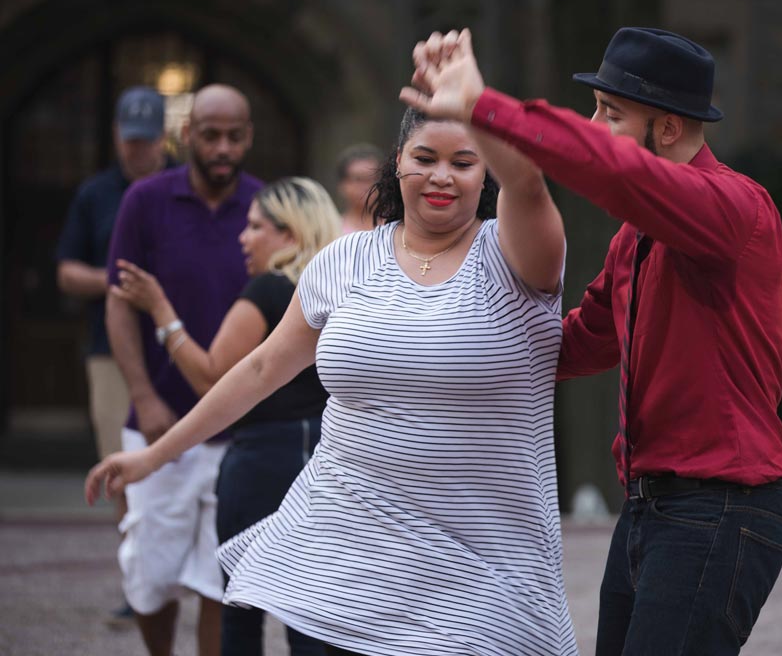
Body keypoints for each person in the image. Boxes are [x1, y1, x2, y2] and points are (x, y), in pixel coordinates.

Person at [87, 102, 576, 655]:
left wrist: (473, 100)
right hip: (355, 552)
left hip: (483, 558)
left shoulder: (513, 256)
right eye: (425, 158)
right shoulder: (343, 261)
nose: (442, 175)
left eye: (464, 162)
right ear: (397, 164)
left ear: (486, 170)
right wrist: (153, 457)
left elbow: (530, 186)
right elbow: (257, 370)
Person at [399, 28, 782, 655]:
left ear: (666, 128)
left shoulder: (735, 206)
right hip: (648, 510)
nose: (595, 124)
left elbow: (615, 171)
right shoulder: (636, 234)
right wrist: (449, 348)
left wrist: (487, 107)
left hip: (720, 511)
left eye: (611, 113)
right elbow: (579, 341)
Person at [111, 177, 340, 656]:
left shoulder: (268, 290)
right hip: (322, 461)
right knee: (312, 613)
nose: (243, 236)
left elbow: (211, 378)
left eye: (256, 227)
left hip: (260, 461)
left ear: (290, 235)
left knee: (240, 606)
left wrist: (162, 312)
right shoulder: (338, 289)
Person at [105, 83, 261, 656]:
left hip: (239, 430)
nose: (222, 147)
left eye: (234, 136)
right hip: (159, 422)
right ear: (187, 135)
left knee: (220, 578)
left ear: (249, 138)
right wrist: (143, 397)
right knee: (150, 575)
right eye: (211, 134)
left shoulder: (264, 205)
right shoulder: (144, 200)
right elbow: (119, 301)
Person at [56, 85, 172, 626]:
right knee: (122, 465)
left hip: (180, 345)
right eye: (130, 141)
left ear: (163, 140)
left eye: (147, 142)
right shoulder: (96, 193)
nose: (138, 151)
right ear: (117, 137)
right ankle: (138, 582)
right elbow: (66, 271)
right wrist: (121, 283)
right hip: (111, 351)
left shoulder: (184, 185)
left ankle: (189, 574)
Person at [334, 142, 383, 233]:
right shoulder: (334, 230)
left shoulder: (395, 228)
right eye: (358, 179)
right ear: (343, 185)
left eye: (371, 178)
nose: (366, 186)